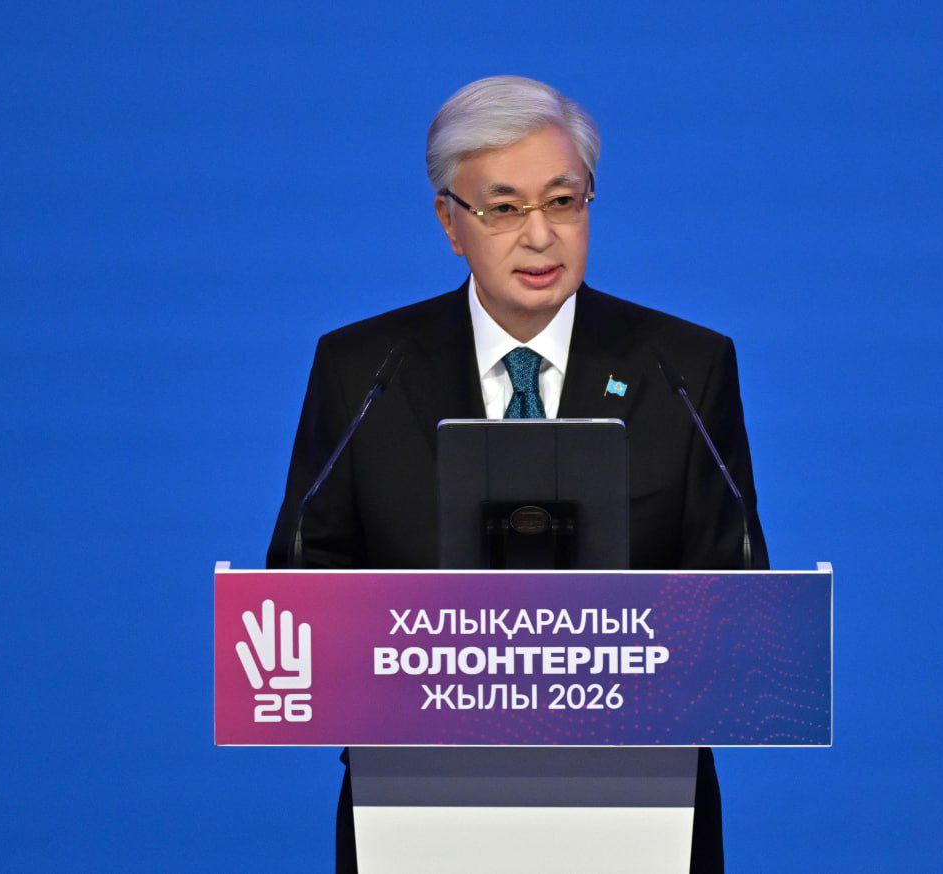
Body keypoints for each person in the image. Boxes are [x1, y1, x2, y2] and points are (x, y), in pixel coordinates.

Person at [267, 75, 769, 874]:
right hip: (416, 809)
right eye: (504, 209)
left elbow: (736, 596)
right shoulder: (364, 370)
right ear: (449, 222)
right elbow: (303, 582)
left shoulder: (684, 367)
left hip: (643, 809)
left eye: (563, 202)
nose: (540, 236)